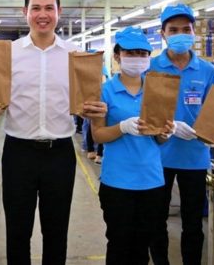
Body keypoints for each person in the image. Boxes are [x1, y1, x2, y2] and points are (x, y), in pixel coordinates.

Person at [0, 0, 78, 265]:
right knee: (17, 231)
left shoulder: (75, 55)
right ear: (25, 12)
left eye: (49, 8)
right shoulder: (8, 54)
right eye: (36, 8)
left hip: (60, 153)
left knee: (56, 231)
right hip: (18, 154)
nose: (42, 14)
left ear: (59, 11)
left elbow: (86, 102)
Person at [83, 26, 174, 265]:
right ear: (117, 56)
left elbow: (158, 139)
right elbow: (98, 135)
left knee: (142, 246)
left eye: (143, 54)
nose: (138, 58)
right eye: (131, 53)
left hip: (151, 180)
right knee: (118, 244)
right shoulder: (104, 91)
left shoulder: (157, 91)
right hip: (117, 182)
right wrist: (122, 127)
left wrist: (166, 133)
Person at [148, 4, 214, 265]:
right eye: (173, 29)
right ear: (163, 33)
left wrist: (211, 132)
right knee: (156, 219)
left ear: (193, 32)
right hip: (158, 156)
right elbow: (142, 109)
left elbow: (213, 112)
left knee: (193, 222)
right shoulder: (151, 67)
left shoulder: (207, 70)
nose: (181, 34)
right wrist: (166, 126)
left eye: (186, 29)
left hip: (195, 156)